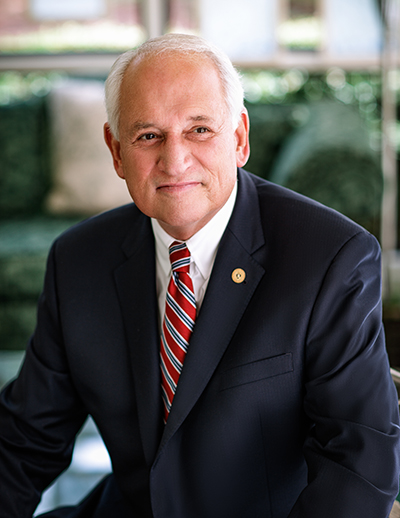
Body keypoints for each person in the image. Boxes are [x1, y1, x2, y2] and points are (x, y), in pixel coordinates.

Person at [0, 33, 399, 518]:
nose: (175, 161)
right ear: (116, 150)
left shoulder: (330, 257)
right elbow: (23, 441)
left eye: (200, 130)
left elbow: (359, 463)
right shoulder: (78, 260)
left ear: (240, 138)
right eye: (149, 136)